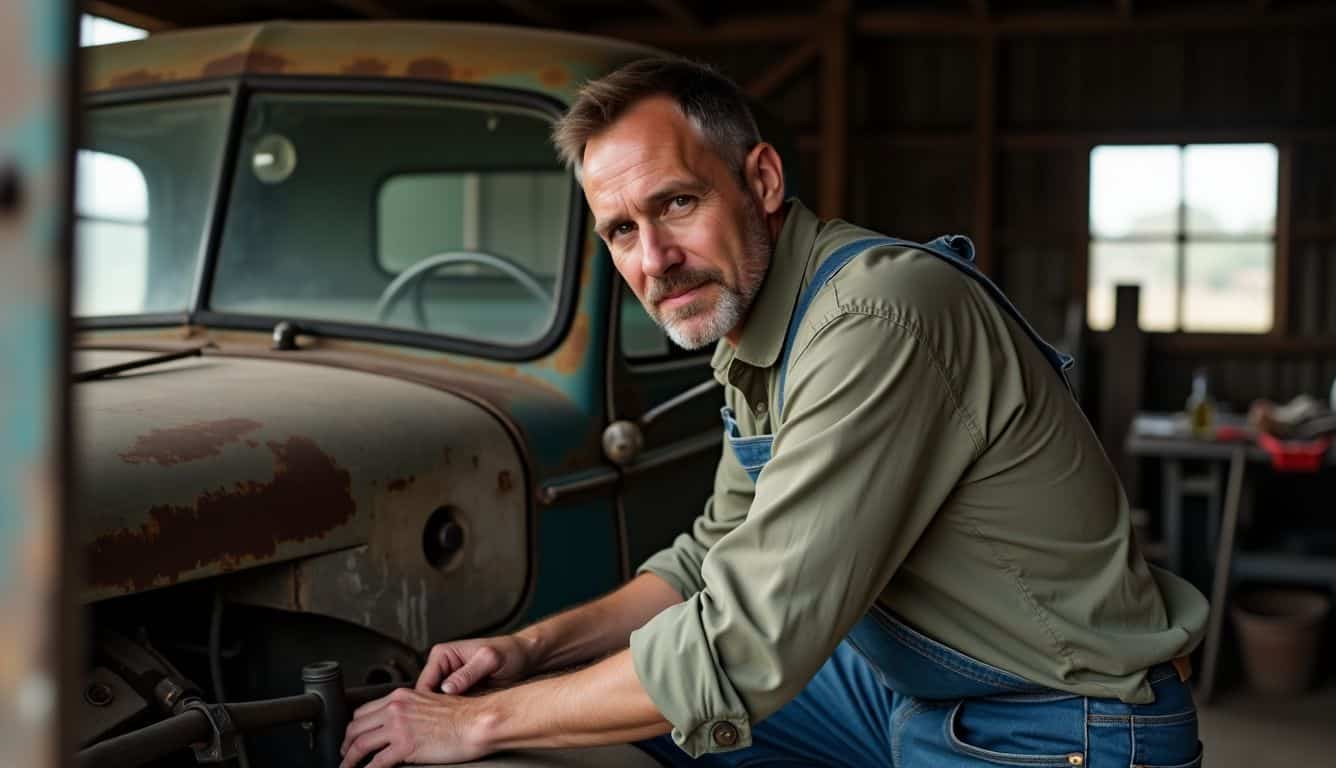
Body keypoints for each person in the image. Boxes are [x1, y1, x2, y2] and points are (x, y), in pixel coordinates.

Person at [339, 57, 1210, 768]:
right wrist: (531, 649)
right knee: (614, 703)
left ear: (759, 179)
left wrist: (477, 724)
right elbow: (711, 554)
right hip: (904, 686)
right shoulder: (760, 326)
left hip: (1052, 722)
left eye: (676, 203)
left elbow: (744, 645)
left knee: (620, 701)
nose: (656, 262)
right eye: (621, 232)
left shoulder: (873, 318)